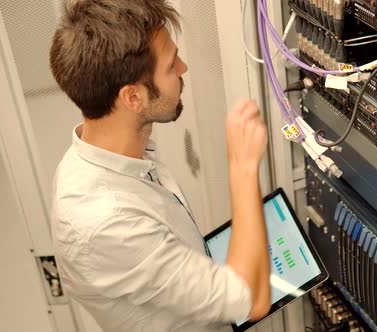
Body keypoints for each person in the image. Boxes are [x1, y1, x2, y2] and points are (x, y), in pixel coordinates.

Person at [49, 1, 270, 331]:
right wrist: (243, 166)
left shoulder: (104, 154)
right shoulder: (107, 221)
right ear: (133, 97)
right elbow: (250, 299)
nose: (183, 67)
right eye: (170, 65)